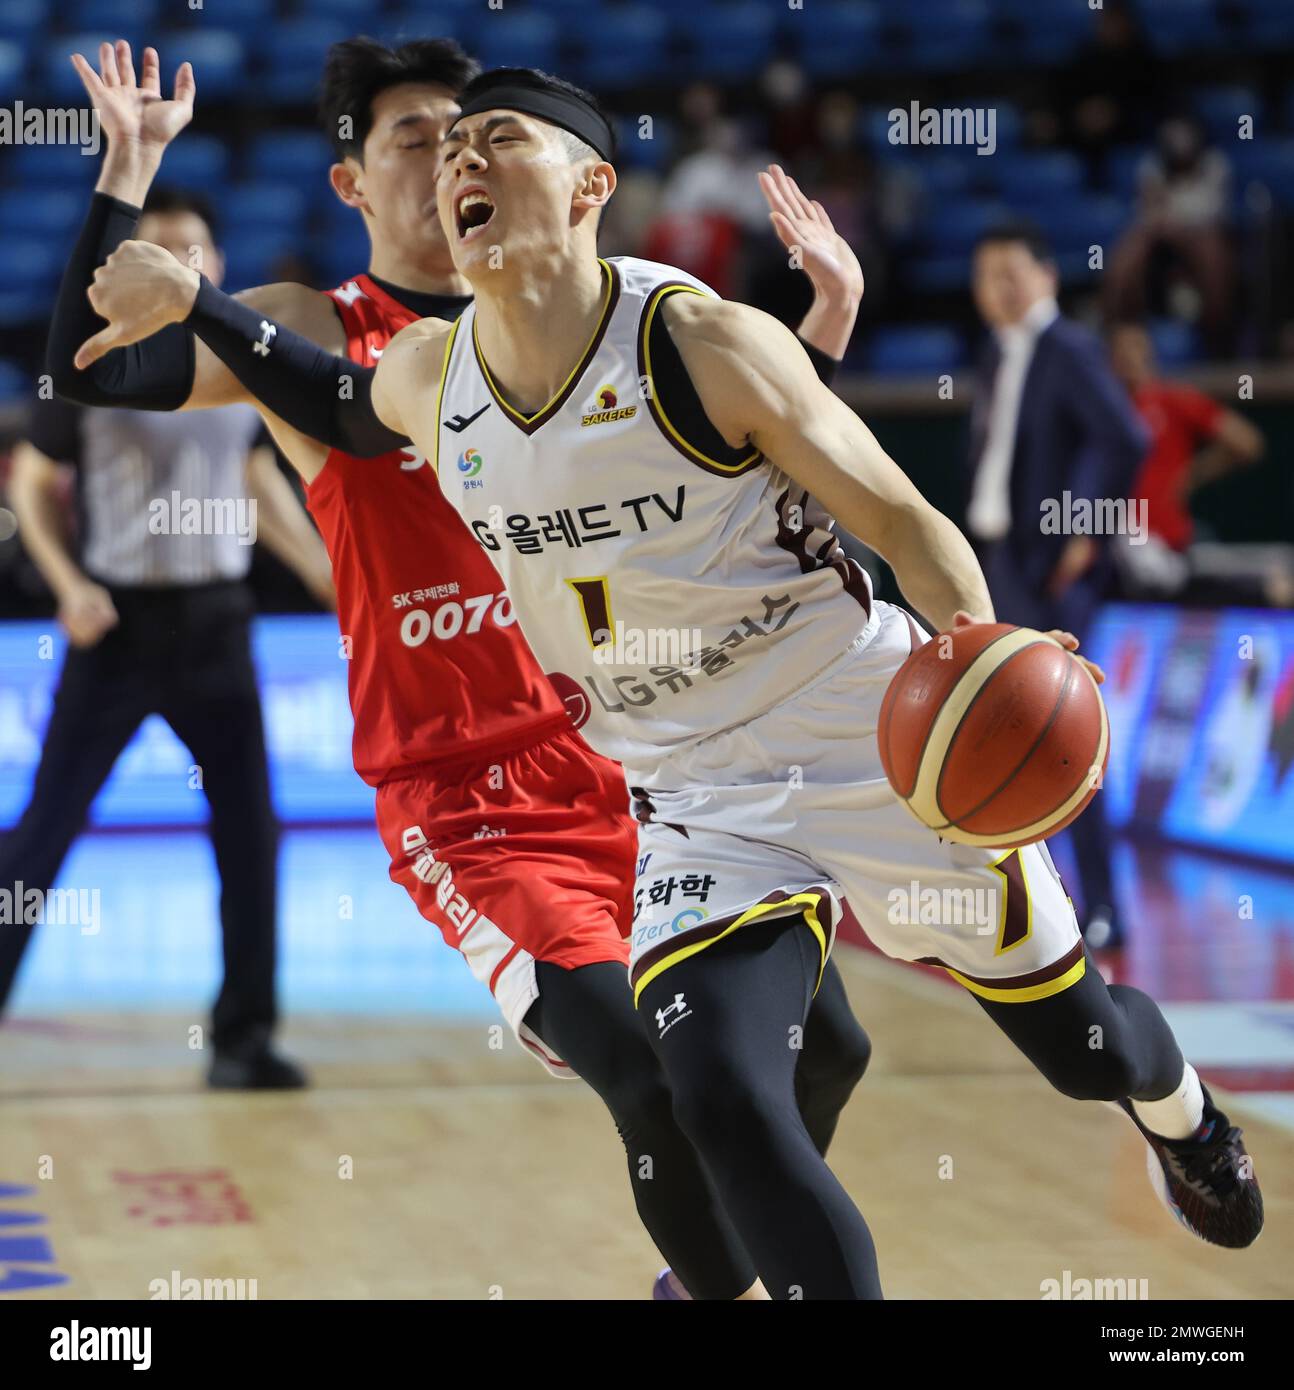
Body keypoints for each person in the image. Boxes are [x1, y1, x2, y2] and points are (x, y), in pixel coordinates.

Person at [96, 66, 1264, 1296]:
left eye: (499, 141)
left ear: (593, 183)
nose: (462, 165)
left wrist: (973, 651)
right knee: (710, 1087)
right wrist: (197, 301)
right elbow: (327, 397)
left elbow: (908, 522)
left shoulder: (702, 339)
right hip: (690, 786)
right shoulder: (433, 377)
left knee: (1083, 1047)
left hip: (859, 730)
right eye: (448, 155)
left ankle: (1183, 1111)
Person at [49, 39, 874, 1299]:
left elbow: (729, 462)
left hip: (644, 772)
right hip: (471, 800)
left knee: (828, 1053)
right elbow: (85, 365)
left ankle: (710, 1268)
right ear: (352, 185)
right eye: (419, 138)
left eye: (479, 133)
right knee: (647, 1069)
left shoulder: (591, 325)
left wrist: (814, 340)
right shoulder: (314, 332)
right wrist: (128, 164)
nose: (455, 158)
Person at [1, 186, 333, 1089]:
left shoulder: (242, 365)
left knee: (251, 836)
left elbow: (258, 478)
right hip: (116, 624)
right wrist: (69, 587)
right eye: (164, 249)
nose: (182, 263)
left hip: (217, 623)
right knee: (42, 837)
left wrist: (321, 571)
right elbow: (30, 483)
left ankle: (242, 1040)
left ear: (218, 267)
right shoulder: (100, 363)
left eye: (195, 250)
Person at [967, 222, 1149, 949]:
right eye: (985, 276)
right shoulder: (995, 351)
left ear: (1046, 276)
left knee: (1068, 742)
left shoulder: (1066, 346)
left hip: (1047, 572)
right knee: (1014, 744)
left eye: (1011, 273)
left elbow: (1127, 438)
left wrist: (1084, 531)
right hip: (998, 561)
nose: (998, 290)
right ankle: (1044, 908)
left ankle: (1103, 907)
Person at [1106, 321, 1286, 604]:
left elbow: (1247, 442)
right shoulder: (1101, 408)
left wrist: (1192, 475)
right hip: (1112, 551)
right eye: (1120, 350)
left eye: (1135, 347)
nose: (1128, 357)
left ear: (1149, 353)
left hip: (1166, 544)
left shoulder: (1172, 400)